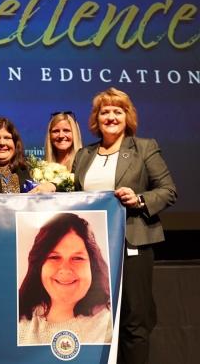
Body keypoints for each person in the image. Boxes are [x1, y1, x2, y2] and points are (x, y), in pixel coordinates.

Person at [72, 87, 177, 364]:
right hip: (93, 249)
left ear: (127, 116)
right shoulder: (84, 154)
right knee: (94, 319)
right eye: (104, 111)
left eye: (117, 111)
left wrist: (139, 198)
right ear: (96, 118)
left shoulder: (144, 148)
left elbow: (168, 190)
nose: (111, 116)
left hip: (133, 243)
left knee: (134, 321)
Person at [18, 213, 112, 345]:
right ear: (39, 266)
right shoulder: (17, 322)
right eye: (54, 257)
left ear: (93, 266)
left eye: (77, 258)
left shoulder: (110, 323)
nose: (65, 270)